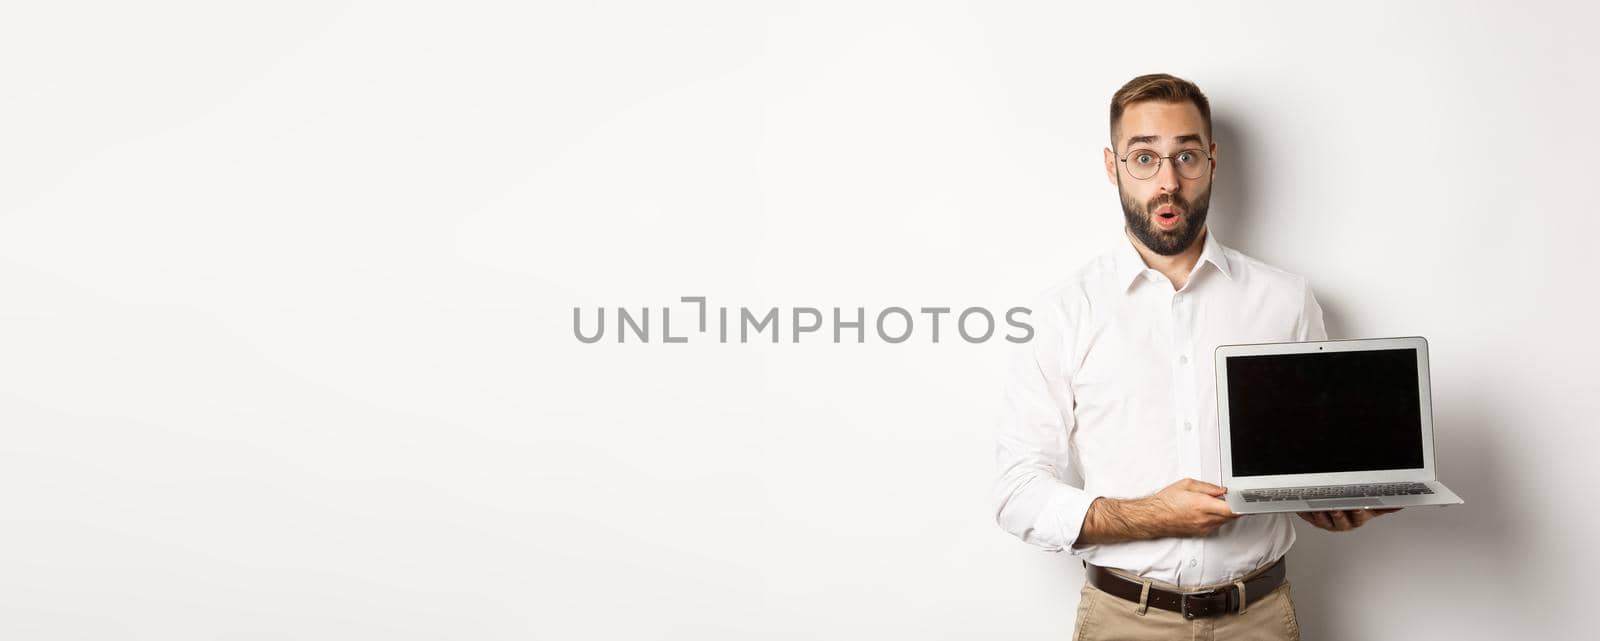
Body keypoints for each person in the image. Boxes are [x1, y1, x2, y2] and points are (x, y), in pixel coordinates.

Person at [991, 73, 1399, 641]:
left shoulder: (1285, 300)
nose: (1167, 182)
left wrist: (1335, 500)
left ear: (1211, 160)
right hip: (1122, 621)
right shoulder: (1063, 312)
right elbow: (1017, 493)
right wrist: (1148, 515)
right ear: (1112, 167)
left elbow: (1307, 459)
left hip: (1259, 617)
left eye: (1185, 155)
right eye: (1143, 158)